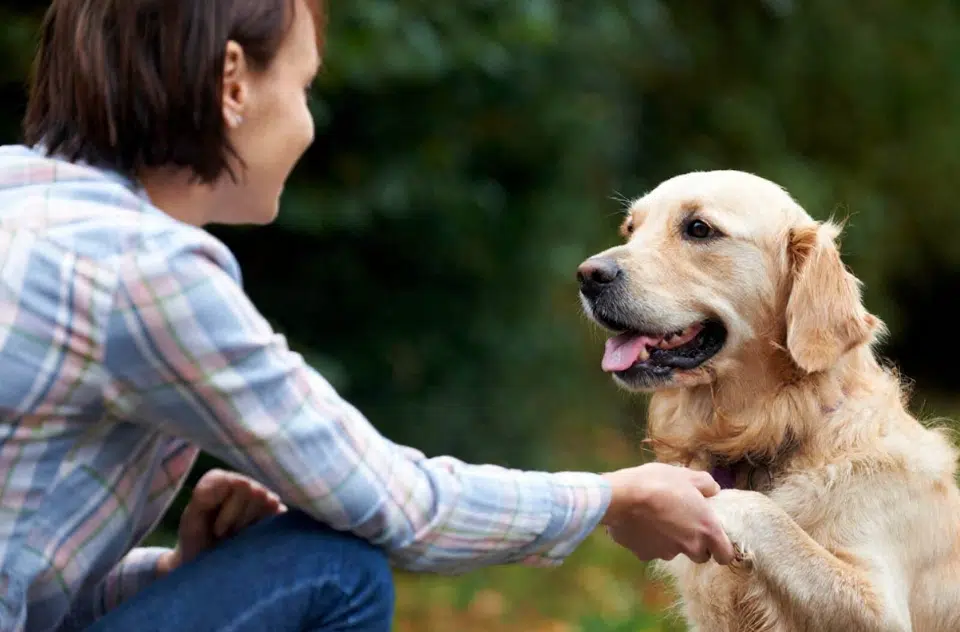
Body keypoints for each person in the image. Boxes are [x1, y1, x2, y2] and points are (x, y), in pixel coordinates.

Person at [0, 1, 735, 630]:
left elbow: (28, 582)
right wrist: (609, 498)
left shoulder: (19, 198)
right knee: (333, 566)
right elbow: (398, 504)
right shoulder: (146, 271)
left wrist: (180, 574)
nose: (308, 125)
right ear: (232, 83)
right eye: (303, 85)